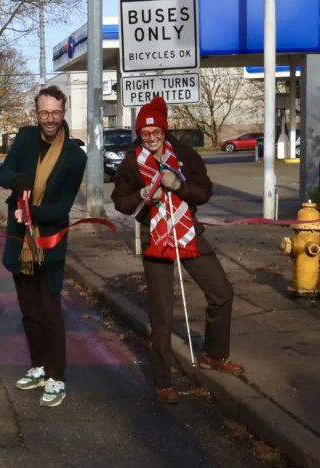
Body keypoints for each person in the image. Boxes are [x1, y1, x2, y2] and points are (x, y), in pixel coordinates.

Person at [111, 96, 245, 404]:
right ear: (139, 135)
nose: (152, 139)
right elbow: (121, 201)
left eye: (157, 132)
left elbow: (204, 192)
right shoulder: (133, 161)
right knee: (161, 311)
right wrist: (143, 194)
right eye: (145, 135)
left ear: (165, 130)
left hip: (187, 233)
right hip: (155, 238)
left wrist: (178, 185)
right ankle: (162, 381)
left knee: (221, 291)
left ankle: (215, 354)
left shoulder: (184, 155)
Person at [0, 85, 87, 407]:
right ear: (37, 113)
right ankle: (38, 366)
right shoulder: (24, 138)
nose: (50, 119)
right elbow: (3, 173)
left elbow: (62, 210)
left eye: (56, 113)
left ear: (64, 112)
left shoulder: (75, 157)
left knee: (50, 314)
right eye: (44, 113)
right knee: (29, 312)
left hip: (48, 242)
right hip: (20, 241)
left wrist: (32, 211)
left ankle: (57, 376)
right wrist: (16, 181)